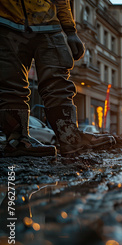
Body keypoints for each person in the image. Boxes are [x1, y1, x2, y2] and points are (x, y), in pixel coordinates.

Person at [0, 0, 115, 157]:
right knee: (11, 85)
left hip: (47, 26)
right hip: (7, 25)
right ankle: (18, 141)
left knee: (57, 83)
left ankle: (69, 138)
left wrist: (70, 31)